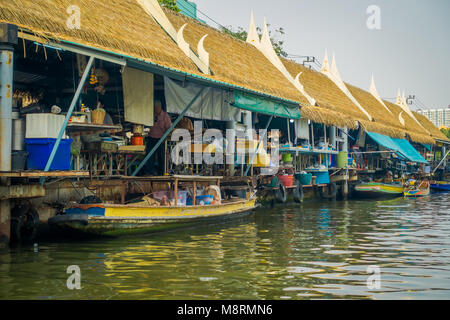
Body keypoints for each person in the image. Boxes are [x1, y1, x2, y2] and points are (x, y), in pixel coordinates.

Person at [144, 100, 172, 176]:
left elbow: (169, 128)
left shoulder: (165, 116)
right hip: (151, 138)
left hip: (161, 139)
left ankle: (161, 173)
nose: (155, 109)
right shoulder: (151, 115)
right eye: (154, 108)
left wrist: (165, 137)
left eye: (156, 108)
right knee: (149, 156)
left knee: (162, 157)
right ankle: (149, 172)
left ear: (160, 107)